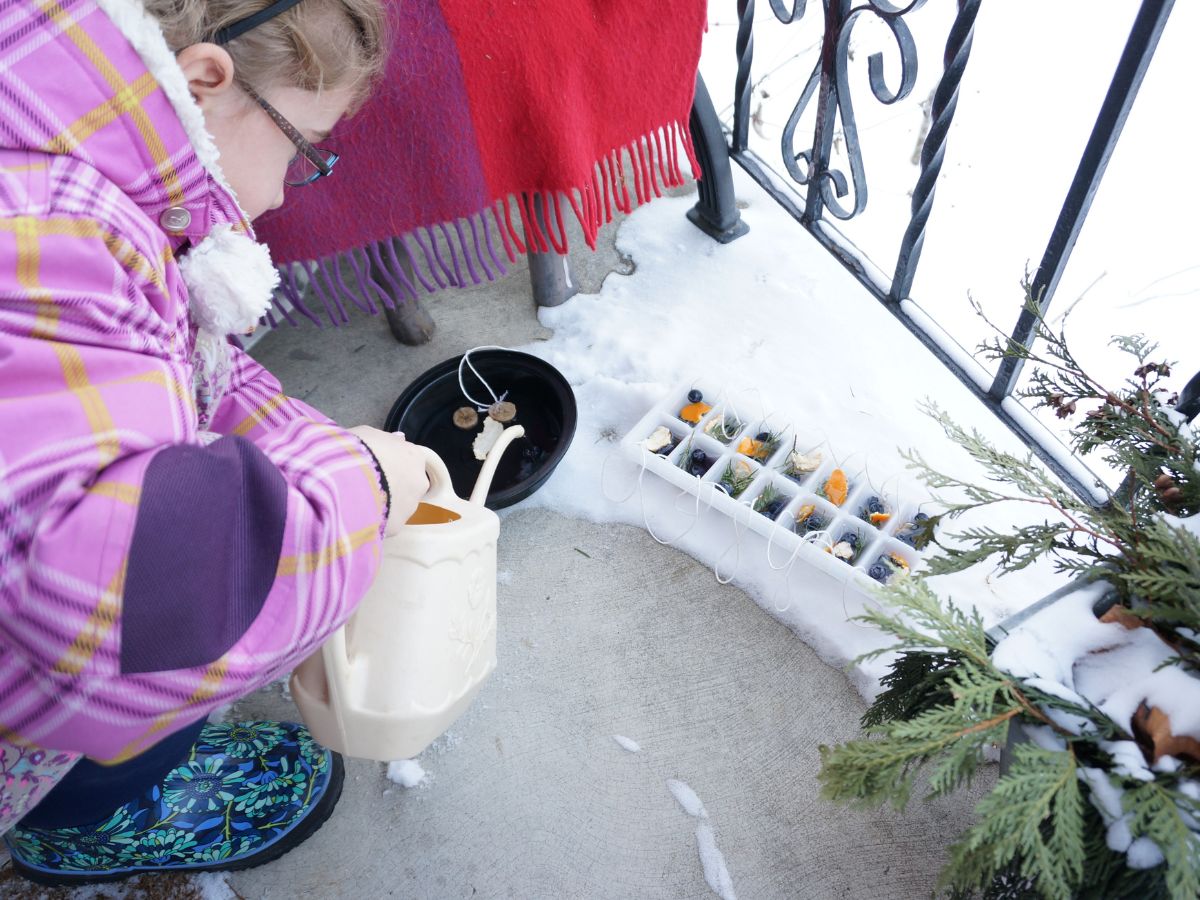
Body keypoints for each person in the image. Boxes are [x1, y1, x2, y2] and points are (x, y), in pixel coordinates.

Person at [0, 0, 428, 884]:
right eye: (302, 147)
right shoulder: (48, 237)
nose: (276, 196)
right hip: (23, 715)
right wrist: (357, 490)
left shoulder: (53, 155)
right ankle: (82, 822)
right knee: (172, 697)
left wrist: (302, 443)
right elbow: (131, 619)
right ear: (204, 79)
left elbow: (163, 366)